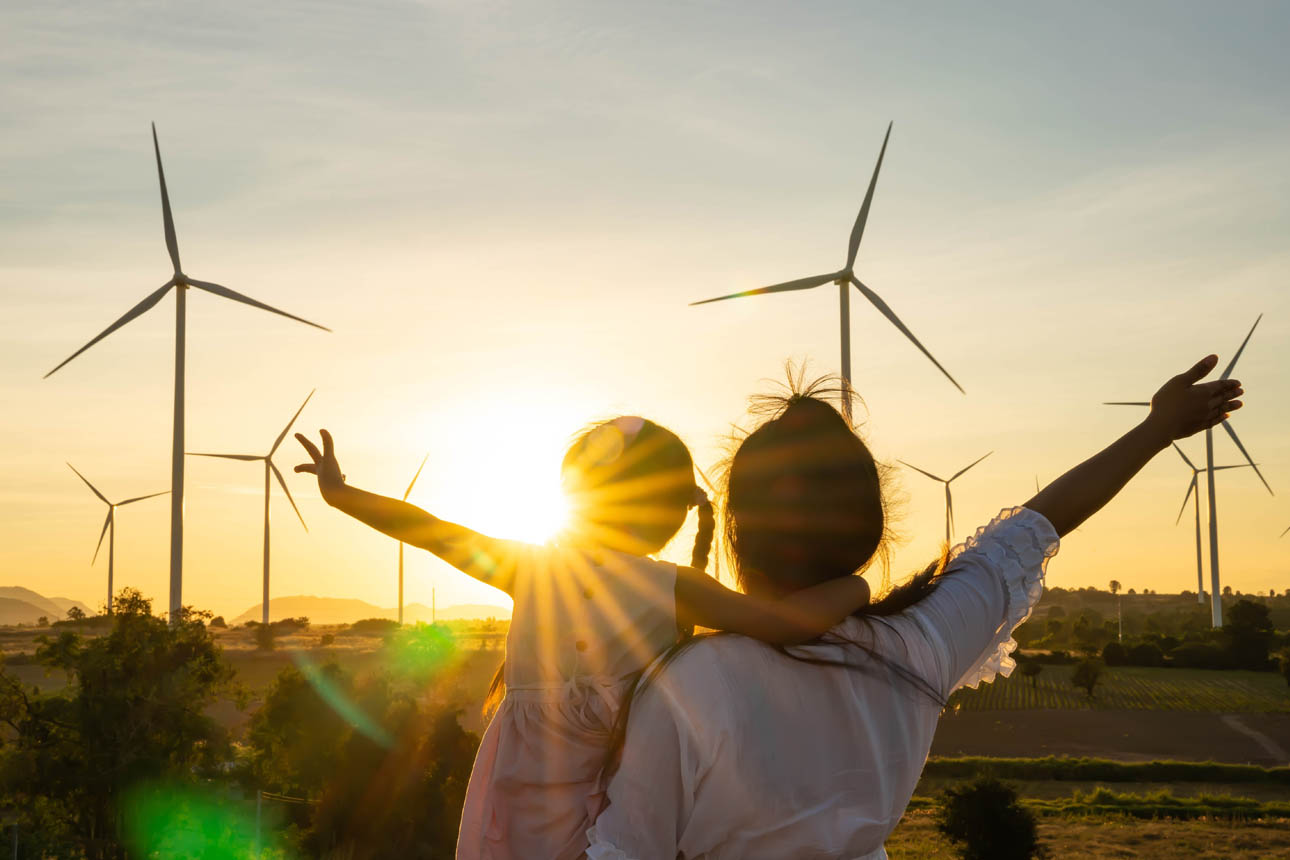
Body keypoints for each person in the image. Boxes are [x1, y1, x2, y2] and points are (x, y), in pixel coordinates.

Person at [587, 356, 1243, 859]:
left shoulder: (691, 684)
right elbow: (1040, 523)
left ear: (738, 532)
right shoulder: (918, 645)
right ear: (869, 530)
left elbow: (623, 850)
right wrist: (1158, 428)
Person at [294, 416, 871, 860]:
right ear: (668, 511)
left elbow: (429, 532)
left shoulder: (531, 567)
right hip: (607, 804)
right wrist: (856, 587)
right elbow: (782, 623)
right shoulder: (671, 586)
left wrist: (340, 494)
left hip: (544, 798)